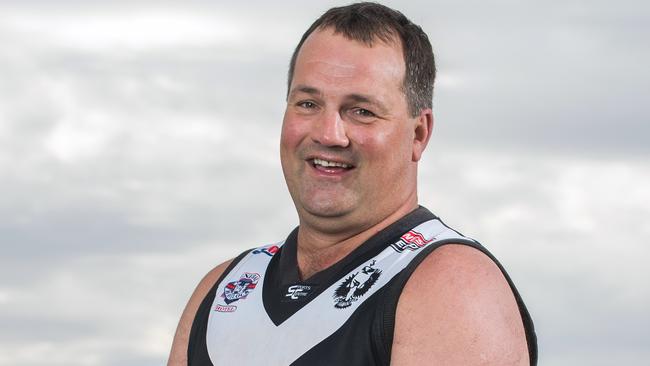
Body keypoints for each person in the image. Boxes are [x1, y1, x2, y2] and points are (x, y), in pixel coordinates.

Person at [168, 2, 537, 365]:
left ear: (418, 134)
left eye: (361, 111)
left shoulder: (450, 285)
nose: (329, 134)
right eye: (308, 104)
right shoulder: (224, 292)